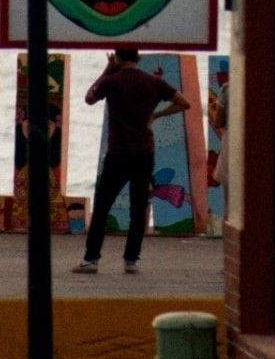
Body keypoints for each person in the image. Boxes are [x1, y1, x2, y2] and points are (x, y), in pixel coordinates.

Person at [74, 48, 190, 275]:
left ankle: (91, 259)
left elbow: (89, 98)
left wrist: (106, 72)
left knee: (102, 207)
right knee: (138, 208)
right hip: (144, 153)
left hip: (117, 153)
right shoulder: (153, 82)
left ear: (117, 58)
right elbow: (184, 103)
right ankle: (131, 260)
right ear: (138, 58)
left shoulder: (112, 81)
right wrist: (156, 115)